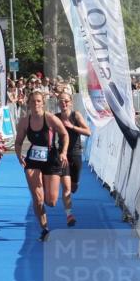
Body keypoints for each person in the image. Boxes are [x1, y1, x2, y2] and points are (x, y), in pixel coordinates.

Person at [14, 90, 69, 241]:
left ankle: (46, 187)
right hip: (33, 159)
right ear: (29, 104)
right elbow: (18, 142)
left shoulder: (50, 118)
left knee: (50, 201)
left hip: (51, 158)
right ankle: (45, 229)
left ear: (43, 103)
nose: (36, 104)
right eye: (33, 101)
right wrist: (19, 155)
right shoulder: (25, 121)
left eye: (38, 101)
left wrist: (63, 152)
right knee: (38, 199)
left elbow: (64, 134)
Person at [56, 92, 91, 226]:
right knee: (66, 188)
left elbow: (88, 132)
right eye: (61, 101)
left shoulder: (75, 115)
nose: (63, 103)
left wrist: (72, 127)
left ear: (70, 102)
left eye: (65, 101)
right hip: (62, 155)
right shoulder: (56, 117)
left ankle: (75, 183)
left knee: (73, 187)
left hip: (76, 153)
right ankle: (69, 215)